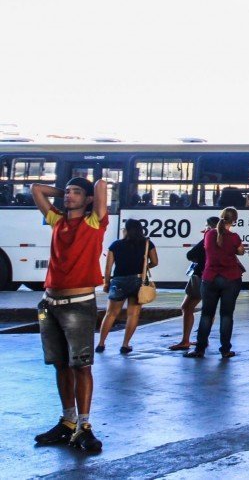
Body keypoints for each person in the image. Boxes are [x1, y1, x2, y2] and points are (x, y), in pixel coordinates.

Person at [30, 177, 109, 453]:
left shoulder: (94, 222)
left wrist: (86, 193)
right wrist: (69, 193)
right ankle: (68, 421)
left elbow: (100, 185)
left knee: (81, 366)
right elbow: (36, 190)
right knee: (60, 364)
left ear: (87, 200)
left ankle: (84, 426)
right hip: (48, 304)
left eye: (77, 193)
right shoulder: (57, 221)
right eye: (68, 192)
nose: (69, 196)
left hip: (79, 303)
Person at [185, 207, 244, 359]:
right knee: (226, 315)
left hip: (209, 278)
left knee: (206, 314)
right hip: (230, 279)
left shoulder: (209, 234)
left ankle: (200, 348)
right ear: (234, 221)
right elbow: (241, 251)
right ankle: (225, 349)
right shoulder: (234, 237)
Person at [97, 219, 158, 354]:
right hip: (137, 281)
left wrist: (106, 283)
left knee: (111, 313)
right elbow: (155, 261)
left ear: (126, 229)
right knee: (133, 314)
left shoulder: (115, 245)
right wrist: (144, 267)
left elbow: (108, 268)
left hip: (118, 281)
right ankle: (125, 345)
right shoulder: (147, 243)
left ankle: (101, 344)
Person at [170, 216, 219, 351]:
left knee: (187, 307)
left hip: (200, 276)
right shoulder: (224, 239)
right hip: (216, 278)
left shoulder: (208, 237)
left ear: (210, 227)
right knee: (209, 310)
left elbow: (191, 254)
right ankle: (204, 339)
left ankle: (185, 340)